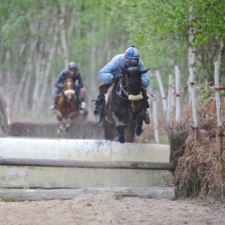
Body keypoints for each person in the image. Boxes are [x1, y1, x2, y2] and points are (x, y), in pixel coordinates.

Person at [93, 44, 150, 124]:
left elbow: (147, 82)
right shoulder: (117, 60)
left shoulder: (140, 63)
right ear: (125, 58)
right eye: (130, 60)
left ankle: (144, 109)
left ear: (138, 60)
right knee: (104, 88)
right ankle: (99, 109)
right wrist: (112, 76)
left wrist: (137, 78)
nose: (132, 62)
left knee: (141, 89)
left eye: (135, 60)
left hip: (130, 81)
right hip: (115, 78)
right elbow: (101, 74)